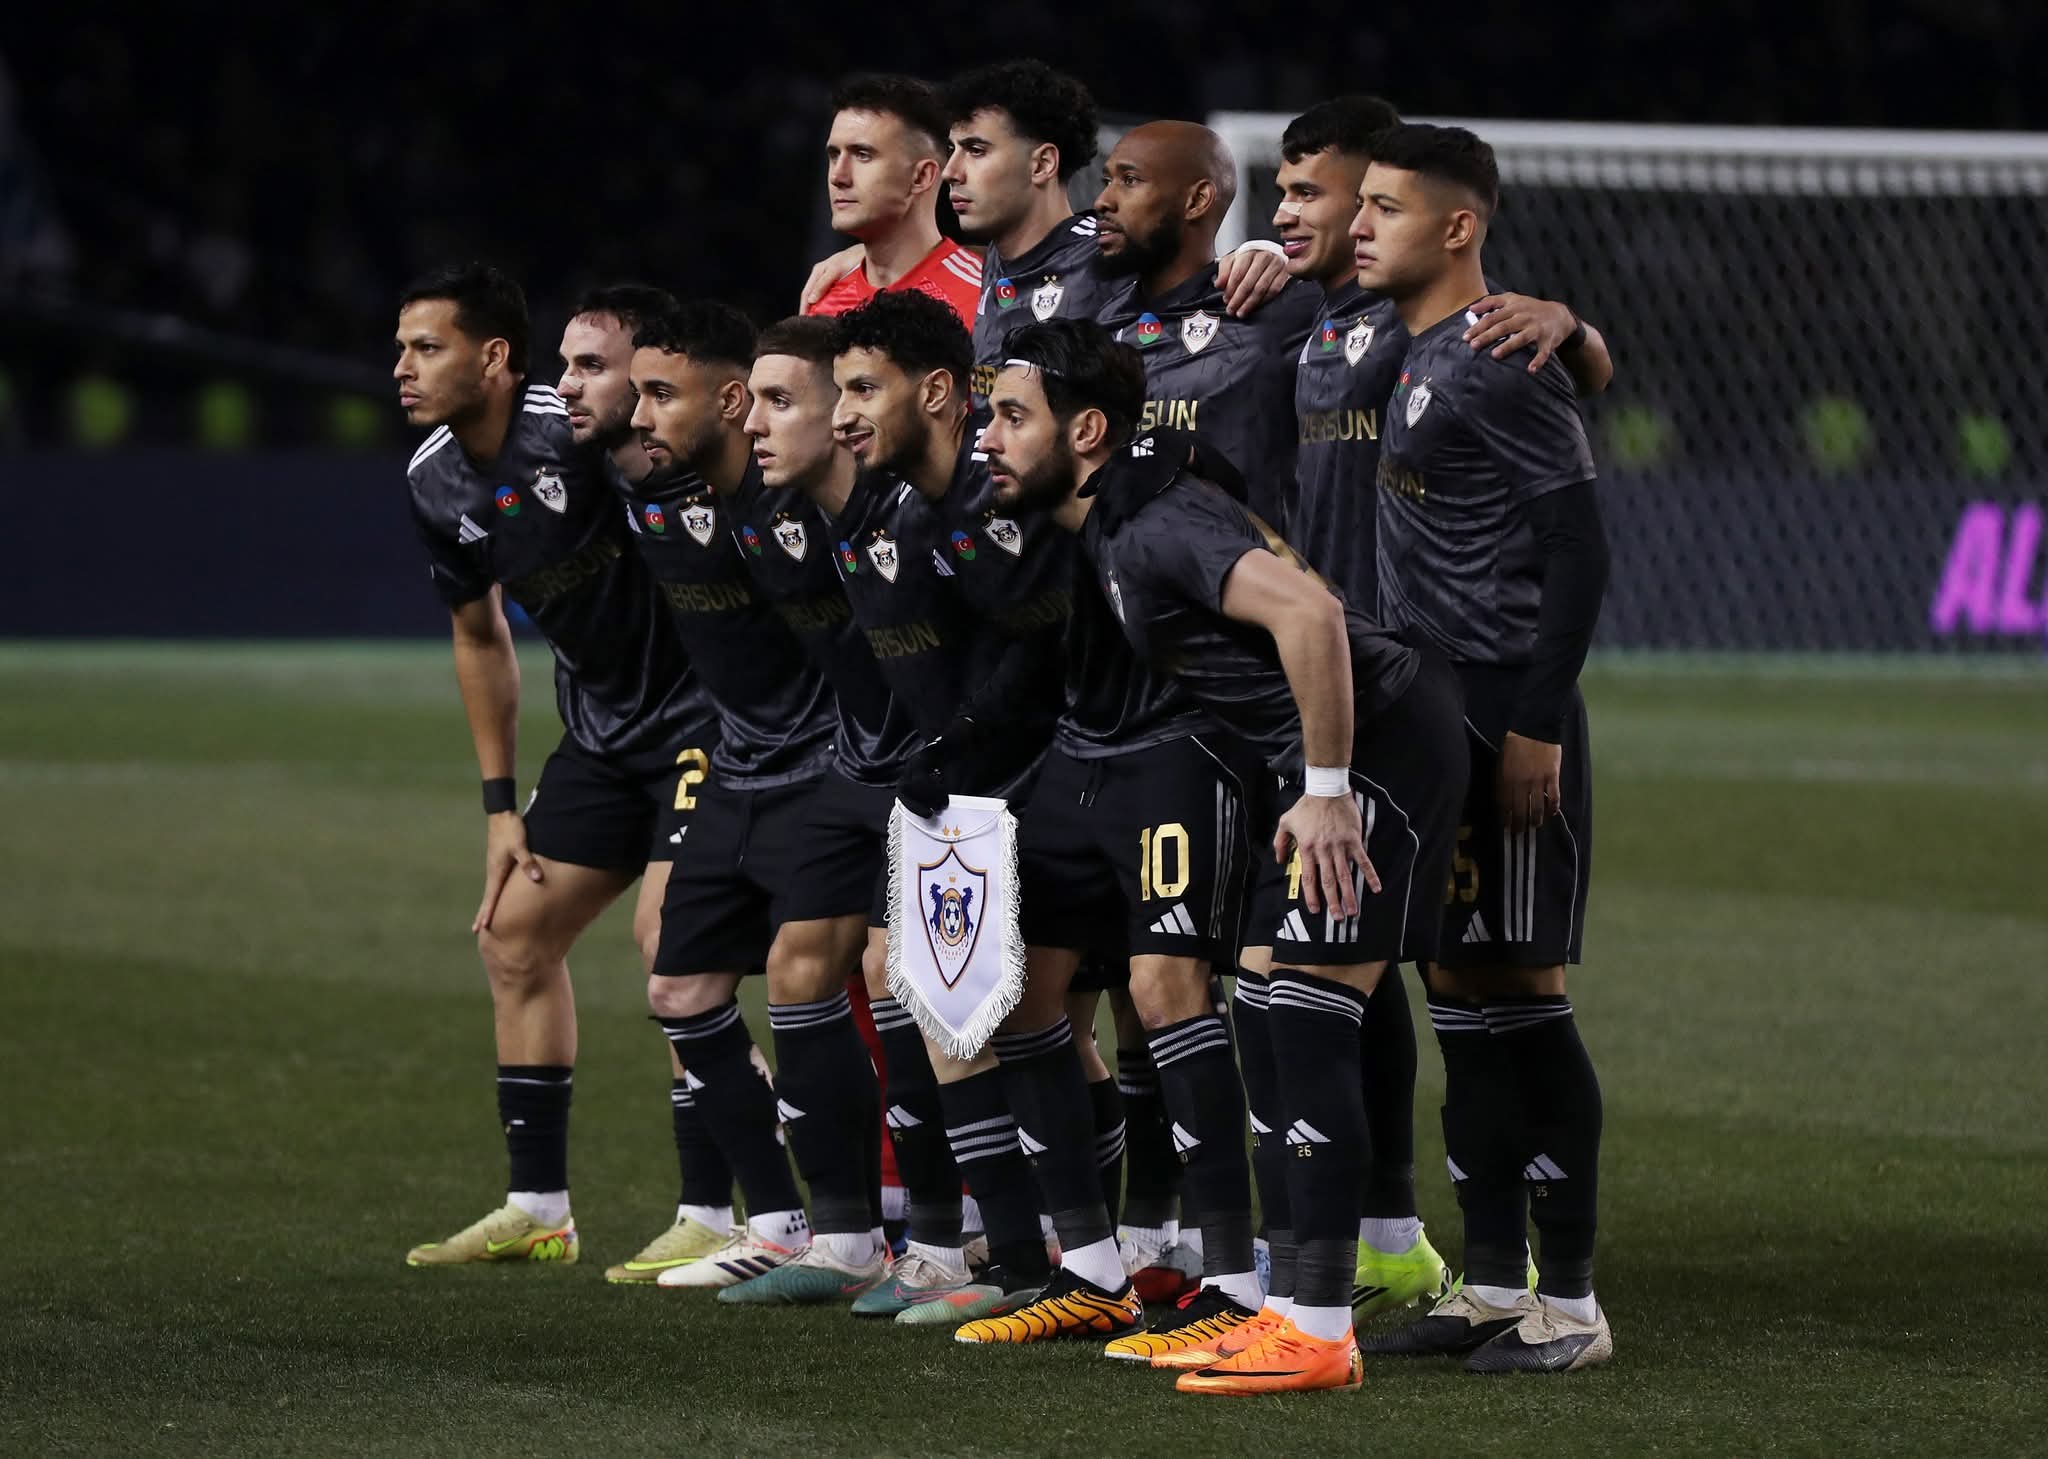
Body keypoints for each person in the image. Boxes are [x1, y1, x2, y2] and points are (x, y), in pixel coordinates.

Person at [980, 317, 1469, 1394]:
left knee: (1298, 1012)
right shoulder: (1113, 516)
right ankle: (1288, 1306)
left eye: (1012, 415)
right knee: (1264, 1006)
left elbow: (1308, 615)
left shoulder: (1152, 522)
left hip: (1377, 737)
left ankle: (1323, 1329)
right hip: (1329, 752)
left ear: (1089, 429)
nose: (990, 436)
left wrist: (1327, 791)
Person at [1273, 94, 1615, 1324]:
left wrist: (1533, 720)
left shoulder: (1493, 356)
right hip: (1426, 710)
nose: (1357, 226)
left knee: (1523, 992)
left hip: (1502, 706)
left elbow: (1576, 550)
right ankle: (1483, 1281)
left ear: (1457, 225)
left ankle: (1568, 1301)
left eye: (1382, 207)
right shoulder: (1408, 349)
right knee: (1461, 993)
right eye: (1351, 204)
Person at [394, 263, 720, 1270]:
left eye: (425, 347)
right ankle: (539, 1207)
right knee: (512, 933)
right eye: (400, 348)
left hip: (705, 723)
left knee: (668, 940)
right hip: (604, 734)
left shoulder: (578, 425)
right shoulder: (434, 480)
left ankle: (718, 1209)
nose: (400, 369)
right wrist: (498, 806)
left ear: (493, 358)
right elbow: (479, 636)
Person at [548, 286, 799, 1285]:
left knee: (847, 979)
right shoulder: (601, 469)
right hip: (738, 756)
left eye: (647, 387)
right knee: (675, 975)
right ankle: (767, 1220)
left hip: (813, 761)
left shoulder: (774, 490)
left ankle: (916, 1230)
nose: (625, 406)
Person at [1094, 121, 1321, 537]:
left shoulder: (1272, 304)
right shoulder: (1103, 326)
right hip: (1130, 588)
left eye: (1129, 181)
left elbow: (1405, 304)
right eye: (1107, 180)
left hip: (1255, 584)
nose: (1103, 201)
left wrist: (1482, 309)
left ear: (1197, 200)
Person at [805, 74, 983, 324]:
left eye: (863, 155)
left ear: (921, 177)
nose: (837, 176)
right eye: (834, 155)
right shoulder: (823, 299)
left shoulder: (983, 301)